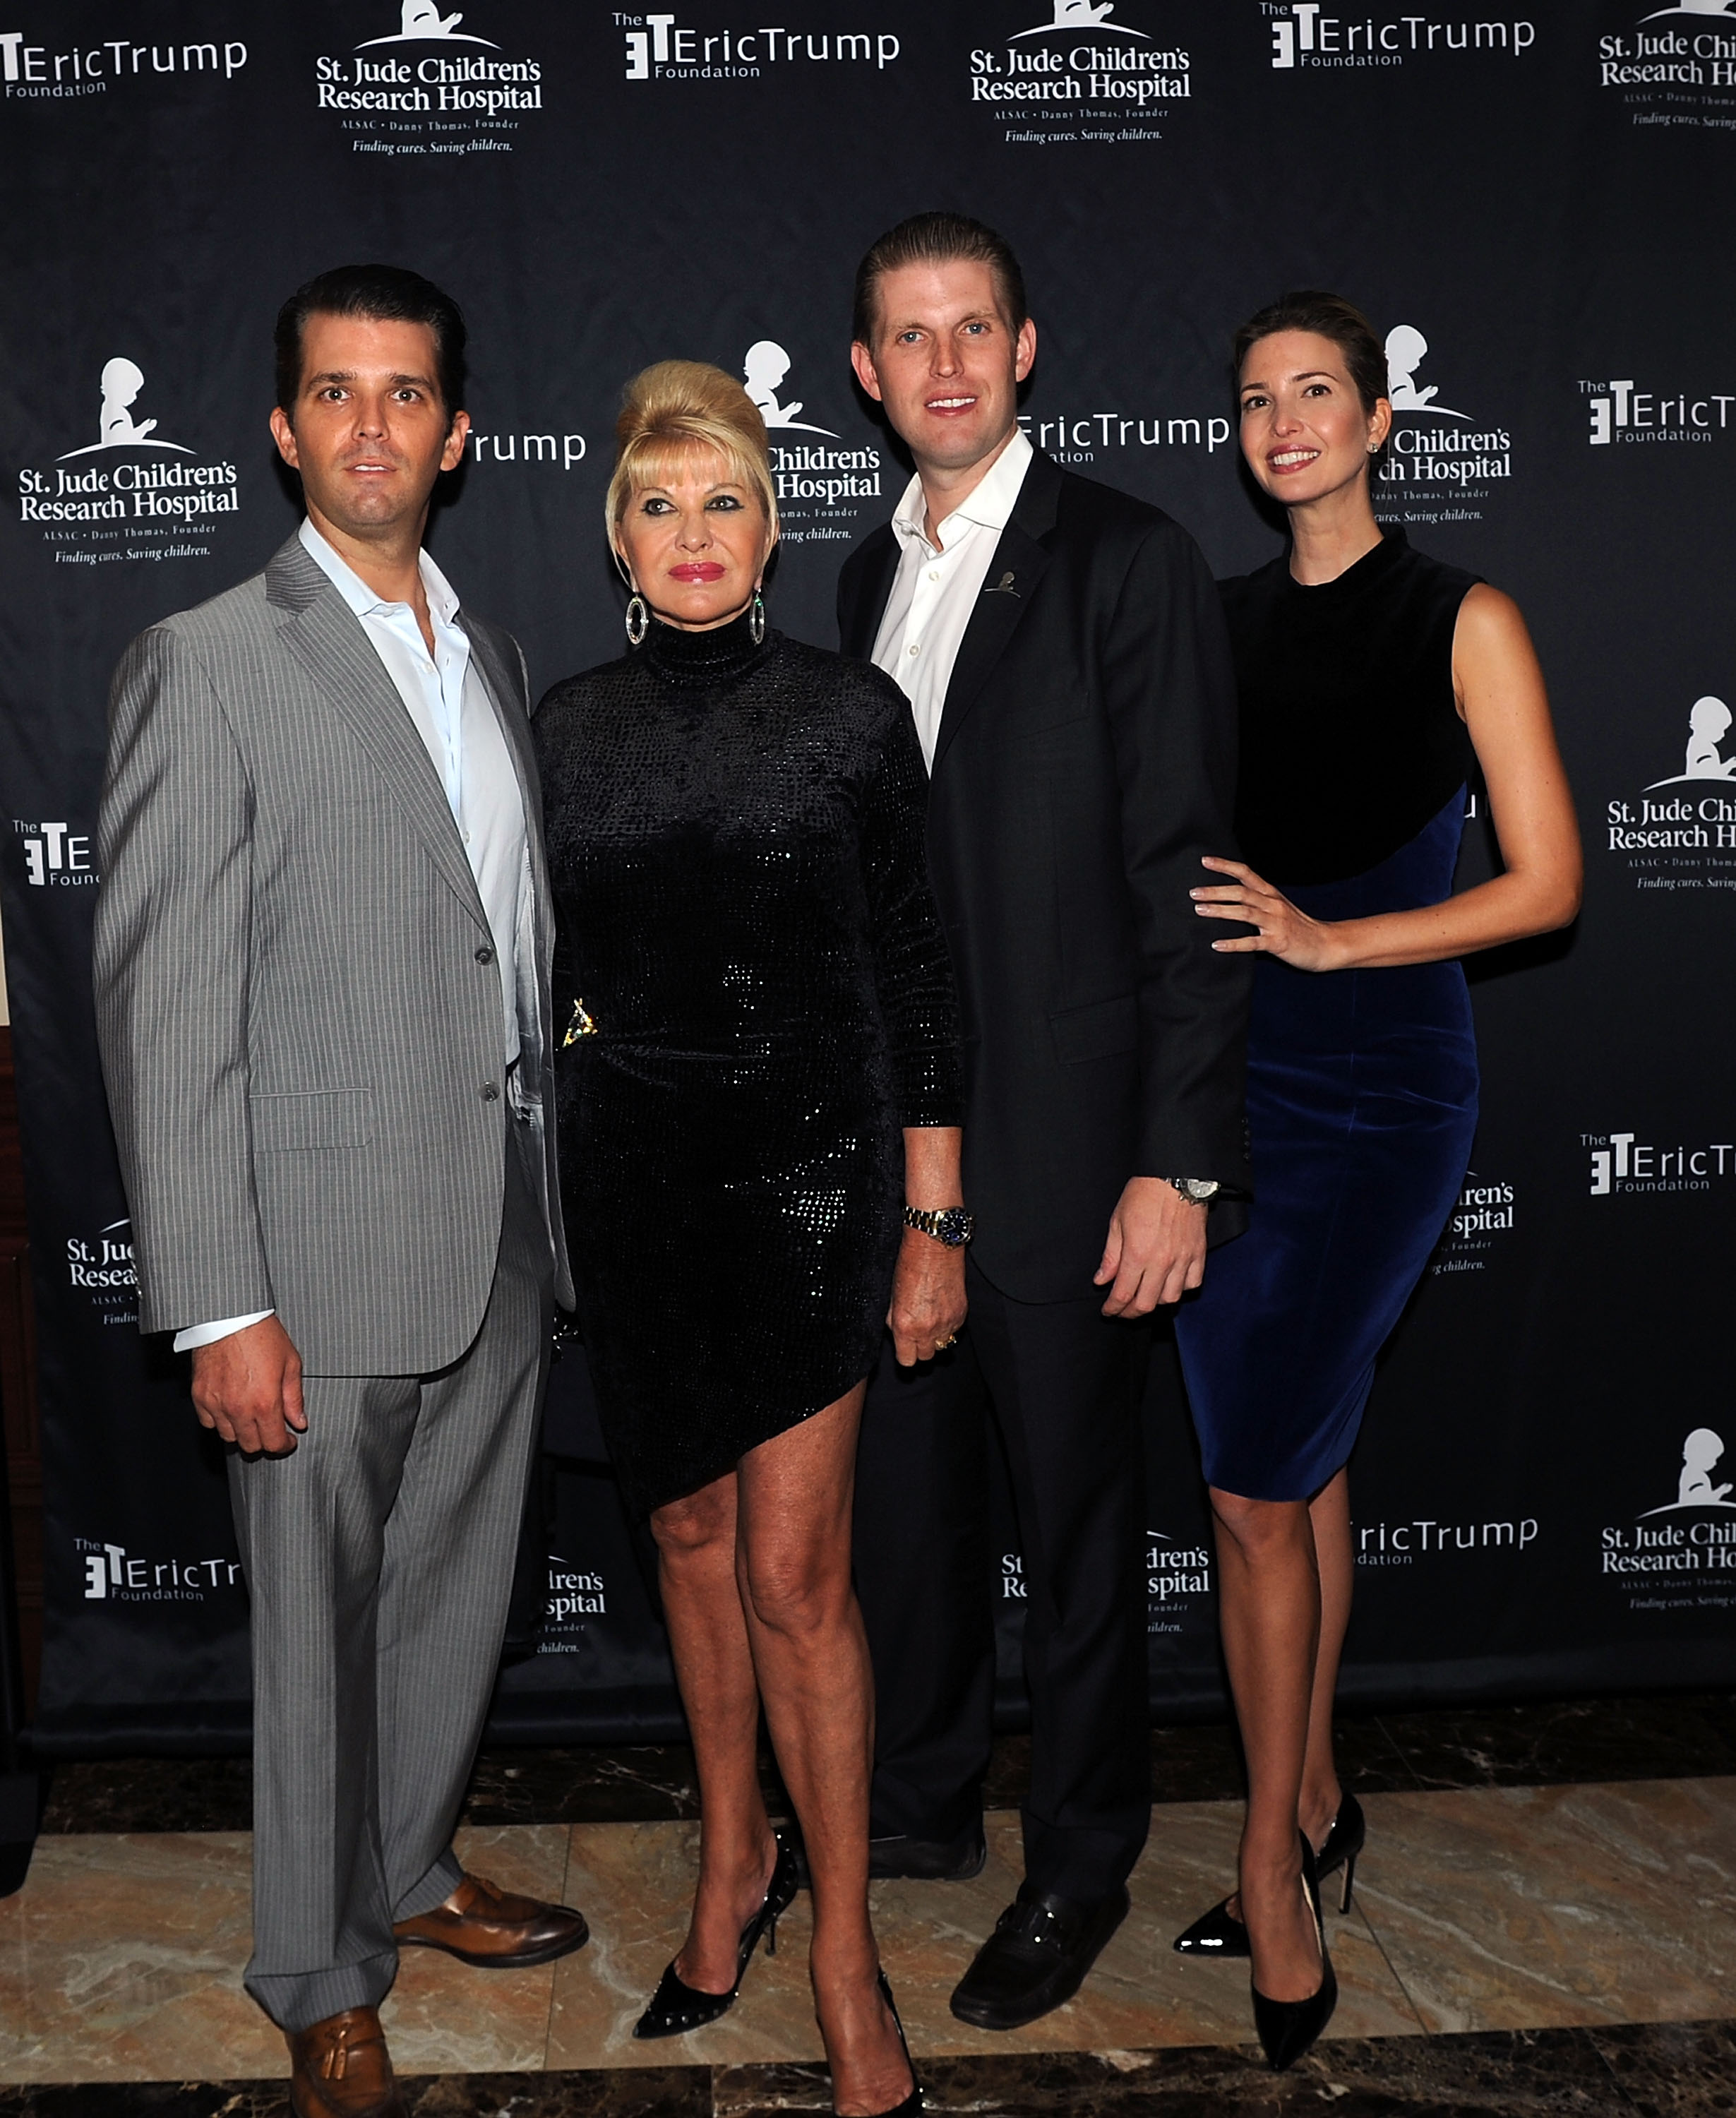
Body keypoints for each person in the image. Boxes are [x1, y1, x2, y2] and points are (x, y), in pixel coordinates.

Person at [92, 265, 589, 2118]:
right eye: (336, 392)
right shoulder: (210, 659)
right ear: (286, 429)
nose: (373, 425)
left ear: (457, 436)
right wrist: (221, 1297)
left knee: (451, 1605)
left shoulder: (500, 658)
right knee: (316, 1635)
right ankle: (317, 1966)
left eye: (407, 394)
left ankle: (404, 1873)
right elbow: (163, 1005)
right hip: (308, 1257)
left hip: (496, 1238)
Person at [534, 361, 961, 2118]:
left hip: (809, 1180)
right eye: (658, 504)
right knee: (689, 1537)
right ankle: (732, 1865)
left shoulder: (855, 717)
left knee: (797, 1580)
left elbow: (922, 988)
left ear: (773, 527)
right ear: (619, 540)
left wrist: (930, 1221)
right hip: (635, 1184)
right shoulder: (561, 725)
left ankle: (846, 1948)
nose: (692, 534)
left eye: (724, 501)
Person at [839, 213, 1252, 2031]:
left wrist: (1179, 1159)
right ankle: (920, 1808)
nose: (943, 364)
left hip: (1082, 1158)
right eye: (908, 338)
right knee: (910, 1514)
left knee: (1082, 1536)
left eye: (972, 330)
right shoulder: (864, 578)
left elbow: (1187, 887)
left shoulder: (1129, 560)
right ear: (865, 373)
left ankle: (1079, 1860)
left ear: (1028, 349)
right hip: (901, 1161)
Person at [1172, 290, 1583, 2070]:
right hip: (1224, 1097)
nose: (1286, 425)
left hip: (1382, 1089)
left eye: (1316, 393)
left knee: (1258, 1490)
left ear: (1382, 415)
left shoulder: (1461, 614)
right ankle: (1319, 1791)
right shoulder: (1215, 620)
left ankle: (1270, 1863)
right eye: (1256, 401)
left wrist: (1343, 950)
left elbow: (1551, 883)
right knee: (1300, 1457)